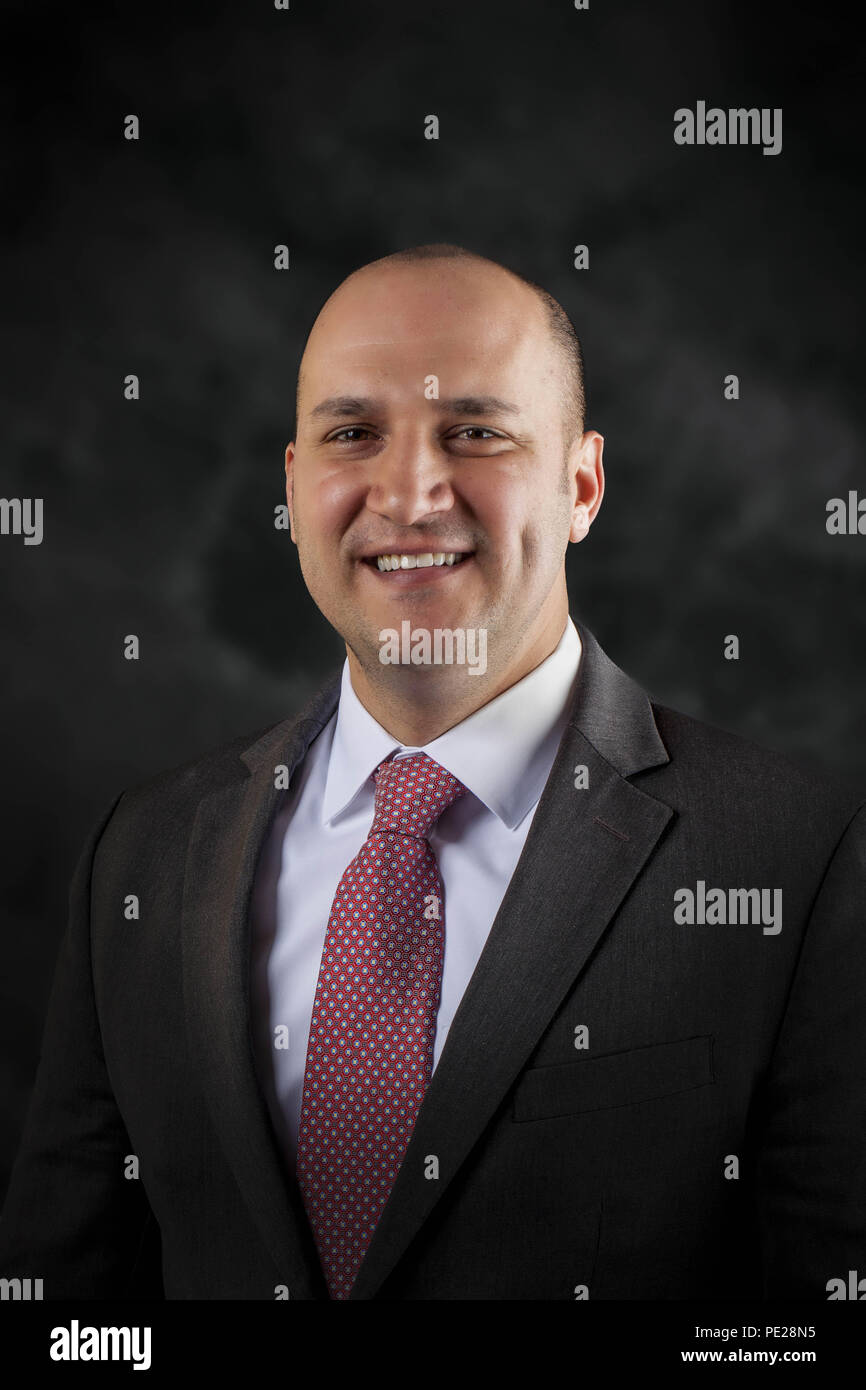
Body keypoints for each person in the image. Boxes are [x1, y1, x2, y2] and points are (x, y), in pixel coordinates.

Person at [1, 243, 864, 1301]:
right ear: (292, 483)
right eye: (352, 433)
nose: (408, 494)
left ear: (581, 483)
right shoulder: (145, 850)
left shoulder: (800, 856)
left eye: (474, 431)